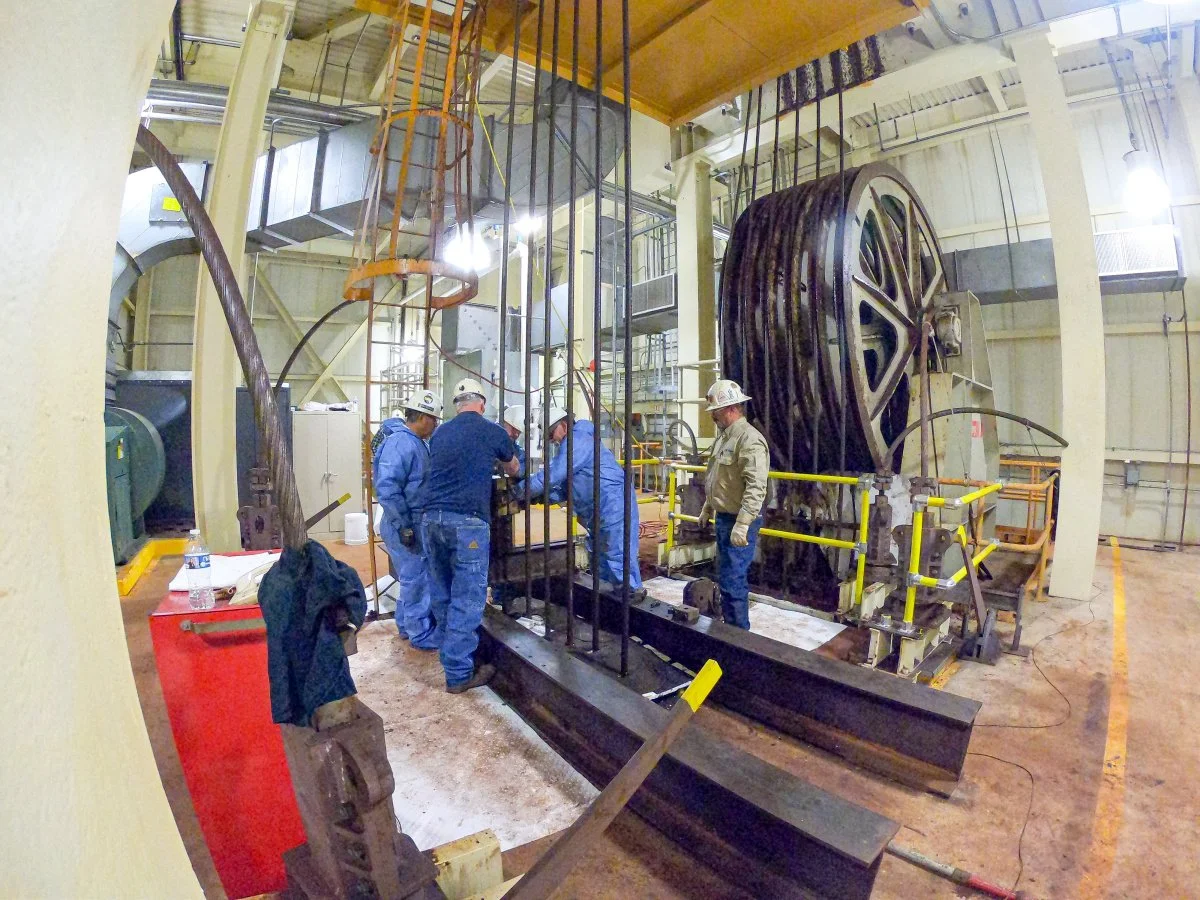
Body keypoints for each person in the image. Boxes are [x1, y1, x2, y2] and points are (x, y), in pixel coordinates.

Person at [420, 378, 521, 693]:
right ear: (483, 404)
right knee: (467, 597)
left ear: (456, 405)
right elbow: (515, 468)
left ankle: (448, 650)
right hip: (467, 523)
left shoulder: (439, 433)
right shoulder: (492, 431)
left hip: (430, 520)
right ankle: (459, 674)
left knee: (442, 590)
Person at [521, 407, 643, 591]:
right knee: (600, 559)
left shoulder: (578, 440)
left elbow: (553, 475)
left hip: (613, 504)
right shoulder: (571, 445)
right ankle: (607, 605)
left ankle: (631, 599)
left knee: (618, 555)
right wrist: (540, 498)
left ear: (563, 425)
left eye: (551, 433)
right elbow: (565, 488)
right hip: (597, 509)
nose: (552, 440)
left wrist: (520, 490)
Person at [697, 379, 769, 630]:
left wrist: (743, 523)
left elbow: (756, 486)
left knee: (733, 580)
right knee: (726, 577)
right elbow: (719, 478)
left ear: (730, 408)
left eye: (715, 411)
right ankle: (730, 629)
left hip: (739, 522)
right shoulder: (725, 438)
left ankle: (739, 635)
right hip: (725, 519)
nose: (712, 416)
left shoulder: (749, 440)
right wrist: (708, 507)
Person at [373, 390, 442, 648]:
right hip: (403, 523)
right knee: (416, 577)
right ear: (423, 417)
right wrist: (404, 525)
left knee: (410, 576)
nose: (436, 425)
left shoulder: (416, 442)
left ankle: (405, 625)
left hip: (410, 521)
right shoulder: (401, 443)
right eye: (434, 419)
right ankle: (420, 634)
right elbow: (388, 487)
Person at [501, 404, 527, 477]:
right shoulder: (485, 441)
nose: (516, 435)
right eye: (513, 429)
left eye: (519, 432)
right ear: (503, 423)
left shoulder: (519, 452)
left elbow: (519, 473)